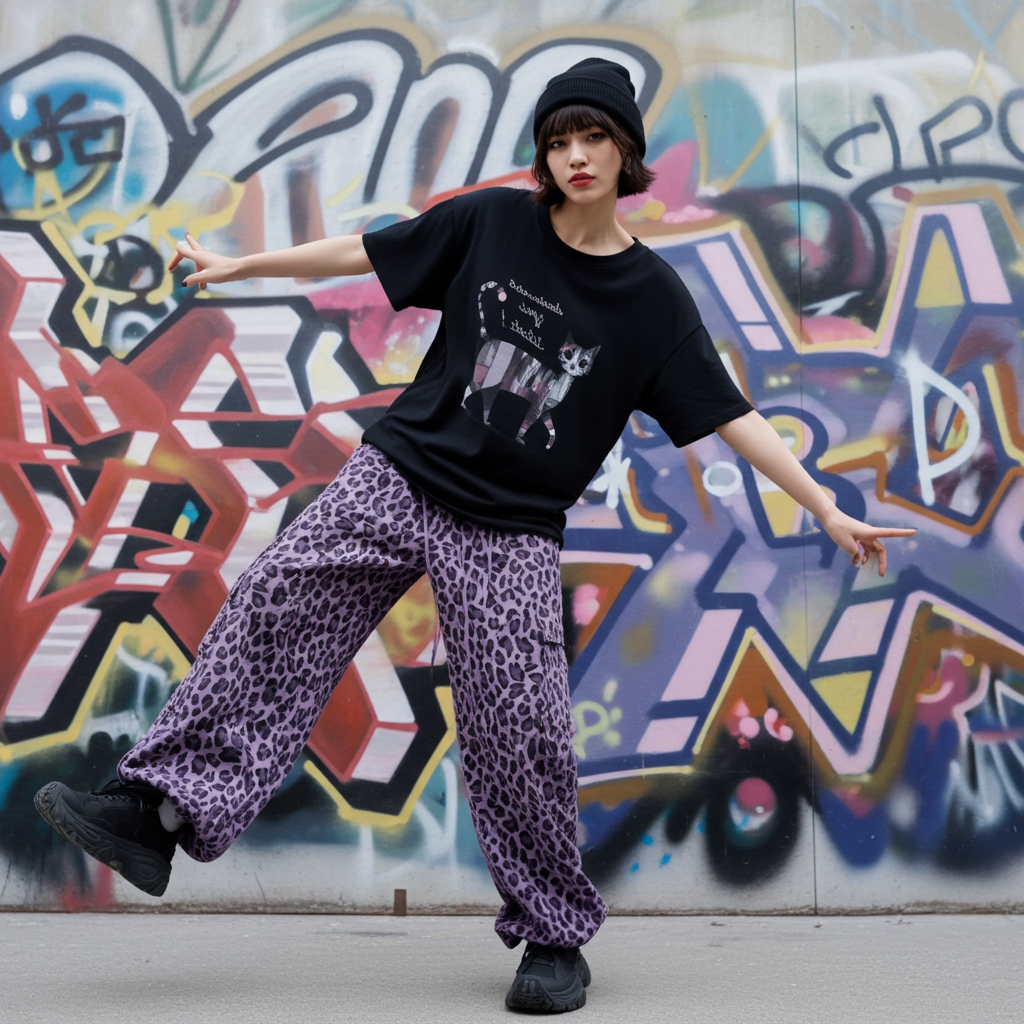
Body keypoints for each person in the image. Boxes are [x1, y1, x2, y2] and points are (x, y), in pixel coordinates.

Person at [34, 58, 914, 1013]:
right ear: (546, 153)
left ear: (627, 154)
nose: (576, 156)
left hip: (509, 527)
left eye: (595, 139)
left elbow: (726, 414)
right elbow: (367, 253)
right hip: (402, 472)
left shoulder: (652, 300)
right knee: (278, 599)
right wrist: (244, 269)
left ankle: (552, 938)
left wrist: (822, 505)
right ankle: (157, 809)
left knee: (518, 726)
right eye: (560, 139)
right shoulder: (494, 220)